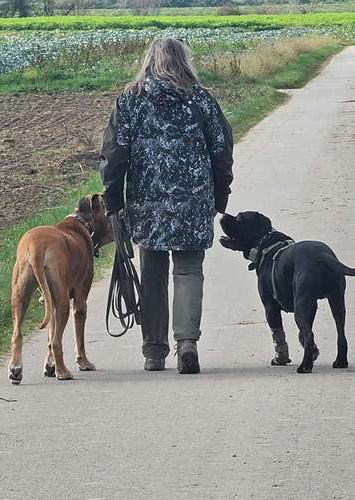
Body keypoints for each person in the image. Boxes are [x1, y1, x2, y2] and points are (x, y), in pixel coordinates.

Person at [100, 38, 234, 374]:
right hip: (194, 200)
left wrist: (113, 198)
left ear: (148, 61)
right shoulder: (200, 99)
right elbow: (221, 150)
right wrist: (221, 194)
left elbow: (114, 155)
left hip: (148, 204)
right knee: (189, 270)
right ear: (184, 62)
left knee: (153, 273)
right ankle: (187, 343)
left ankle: (154, 351)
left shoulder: (130, 101)